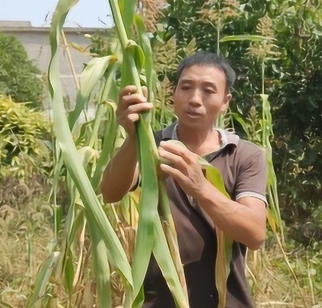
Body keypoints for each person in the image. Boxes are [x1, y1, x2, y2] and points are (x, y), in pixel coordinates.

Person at [98, 51, 268, 308]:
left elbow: (254, 234)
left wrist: (200, 188)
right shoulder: (152, 146)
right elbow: (110, 192)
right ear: (173, 95)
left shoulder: (243, 155)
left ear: (225, 102)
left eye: (208, 90)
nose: (195, 99)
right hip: (158, 301)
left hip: (226, 301)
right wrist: (133, 138)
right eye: (186, 87)